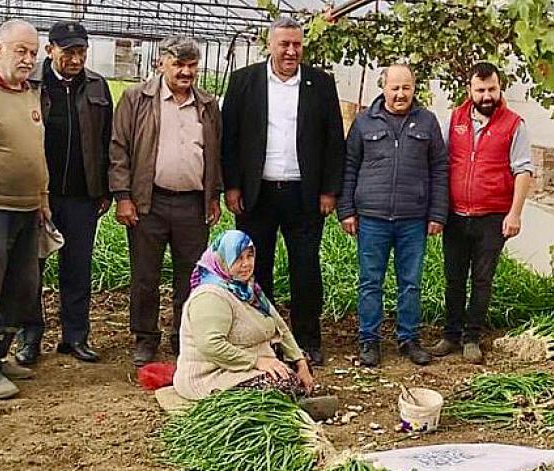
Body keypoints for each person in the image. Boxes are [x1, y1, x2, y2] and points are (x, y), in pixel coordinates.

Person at [221, 17, 345, 366]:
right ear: (269, 45)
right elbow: (229, 139)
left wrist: (329, 191)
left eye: (296, 45)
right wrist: (232, 186)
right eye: (284, 44)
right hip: (256, 194)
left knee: (305, 268)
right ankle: (264, 337)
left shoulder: (320, 84)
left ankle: (307, 340)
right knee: (256, 268)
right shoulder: (244, 82)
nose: (291, 51)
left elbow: (334, 141)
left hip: (304, 195)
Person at [109, 36, 222, 367]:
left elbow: (216, 152)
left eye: (191, 65)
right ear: (161, 64)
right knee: (146, 275)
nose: (185, 72)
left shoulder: (207, 105)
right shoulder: (137, 98)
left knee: (191, 275)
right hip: (149, 202)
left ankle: (184, 336)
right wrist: (123, 196)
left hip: (193, 204)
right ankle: (145, 337)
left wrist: (213, 195)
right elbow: (119, 149)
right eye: (178, 65)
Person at [337, 64, 449, 367]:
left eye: (406, 88)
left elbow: (439, 168)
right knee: (370, 282)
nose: (400, 94)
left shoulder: (427, 121)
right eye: (395, 88)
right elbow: (349, 167)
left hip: (413, 219)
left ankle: (408, 339)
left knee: (410, 283)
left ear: (414, 88)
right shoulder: (364, 122)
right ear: (383, 88)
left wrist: (437, 213)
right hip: (372, 218)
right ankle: (369, 340)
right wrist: (346, 210)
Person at [16, 21, 113, 365]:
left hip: (82, 196)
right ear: (50, 50)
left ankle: (75, 337)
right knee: (31, 268)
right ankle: (30, 337)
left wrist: (105, 189)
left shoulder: (97, 86)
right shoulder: (30, 84)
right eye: (68, 52)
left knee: (77, 268)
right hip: (37, 195)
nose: (76, 59)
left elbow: (107, 140)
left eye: (81, 52)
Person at [429, 62, 533, 364]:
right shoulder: (455, 120)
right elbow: (441, 161)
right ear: (469, 90)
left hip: (492, 216)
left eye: (492, 89)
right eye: (480, 90)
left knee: (482, 279)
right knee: (453, 278)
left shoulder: (514, 125)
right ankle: (450, 335)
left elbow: (523, 170)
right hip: (456, 215)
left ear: (500, 88)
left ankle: (472, 337)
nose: (487, 96)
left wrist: (514, 214)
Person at [0, 19, 48, 399]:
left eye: (33, 53)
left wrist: (43, 198)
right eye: (21, 51)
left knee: (18, 288)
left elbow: (35, 151)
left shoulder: (27, 93)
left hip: (27, 209)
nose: (28, 59)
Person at [173, 230, 314, 401]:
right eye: (238, 258)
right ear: (222, 259)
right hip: (211, 374)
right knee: (281, 383)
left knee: (299, 369)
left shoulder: (248, 288)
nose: (246, 264)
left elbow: (279, 325)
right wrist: (257, 361)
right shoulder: (210, 296)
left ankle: (297, 396)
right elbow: (211, 345)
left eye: (249, 256)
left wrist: (300, 362)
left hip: (246, 364)